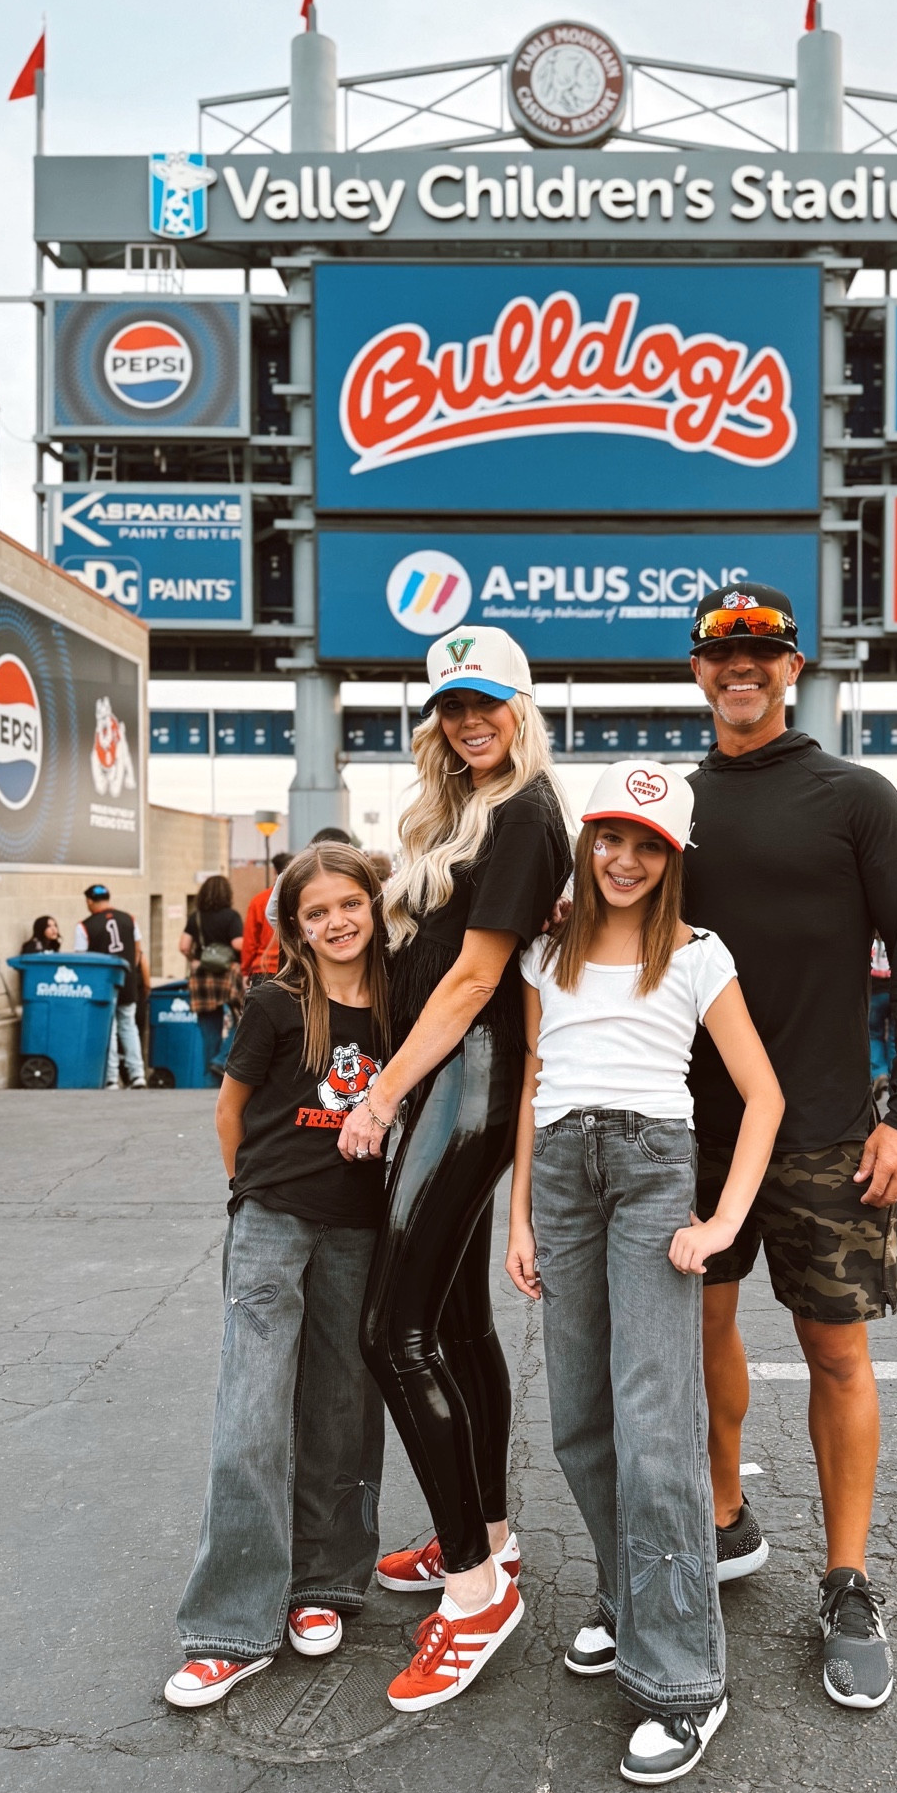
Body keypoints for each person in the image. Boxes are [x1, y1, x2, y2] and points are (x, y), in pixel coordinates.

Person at [681, 582, 897, 1716]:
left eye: (764, 651)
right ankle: (726, 1517)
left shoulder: (858, 796)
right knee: (699, 1328)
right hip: (685, 1128)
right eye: (720, 652)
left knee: (837, 1352)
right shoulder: (667, 801)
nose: (742, 668)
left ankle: (847, 1580)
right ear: (697, 670)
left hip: (832, 1128)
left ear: (794, 667)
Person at [505, 762, 783, 1785]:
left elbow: (763, 1096)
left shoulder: (700, 953)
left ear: (672, 859)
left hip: (654, 1173)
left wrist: (722, 1220)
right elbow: (535, 1086)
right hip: (564, 1179)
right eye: (611, 838)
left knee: (657, 1425)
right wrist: (519, 1216)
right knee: (579, 1416)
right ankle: (630, 1596)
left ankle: (682, 1683)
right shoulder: (546, 952)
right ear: (590, 844)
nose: (625, 858)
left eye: (647, 844)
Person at [336, 626, 570, 1713]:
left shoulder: (524, 813)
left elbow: (477, 977)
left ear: (522, 706)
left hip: (467, 1083)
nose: (468, 720)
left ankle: (474, 1595)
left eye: (487, 702)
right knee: (459, 1328)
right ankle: (487, 1537)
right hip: (450, 1082)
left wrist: (383, 1099)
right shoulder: (466, 812)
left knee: (393, 1330)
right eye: (452, 706)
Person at [165, 843, 392, 1709]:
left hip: (358, 1231)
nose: (336, 922)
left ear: (373, 905)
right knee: (252, 1412)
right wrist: (248, 1193)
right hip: (271, 1221)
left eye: (349, 905)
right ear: (292, 929)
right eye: (316, 913)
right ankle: (229, 1625)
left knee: (341, 1406)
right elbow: (230, 1108)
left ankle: (326, 1582)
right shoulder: (275, 1002)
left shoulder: (401, 1002)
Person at [76, 885, 149, 1090]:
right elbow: (138, 952)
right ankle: (138, 1075)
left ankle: (111, 1078)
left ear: (89, 901)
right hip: (126, 979)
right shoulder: (129, 919)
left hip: (101, 984)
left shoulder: (84, 926)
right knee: (129, 1027)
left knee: (108, 1028)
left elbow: (82, 961)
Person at [180, 875, 244, 1077]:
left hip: (202, 975)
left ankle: (211, 1073)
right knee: (244, 1019)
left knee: (208, 1026)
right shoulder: (231, 916)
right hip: (228, 973)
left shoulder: (196, 917)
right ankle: (221, 1059)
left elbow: (183, 946)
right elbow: (238, 944)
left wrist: (196, 959)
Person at [241, 853, 291, 980]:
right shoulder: (299, 900)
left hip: (263, 969)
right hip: (293, 968)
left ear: (275, 872)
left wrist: (245, 971)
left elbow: (250, 942)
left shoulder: (258, 901)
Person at [868, 939, 893, 1091]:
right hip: (895, 991)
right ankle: (896, 1074)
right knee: (894, 1037)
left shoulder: (871, 940)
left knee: (874, 1034)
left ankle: (880, 1072)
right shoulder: (892, 936)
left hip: (875, 992)